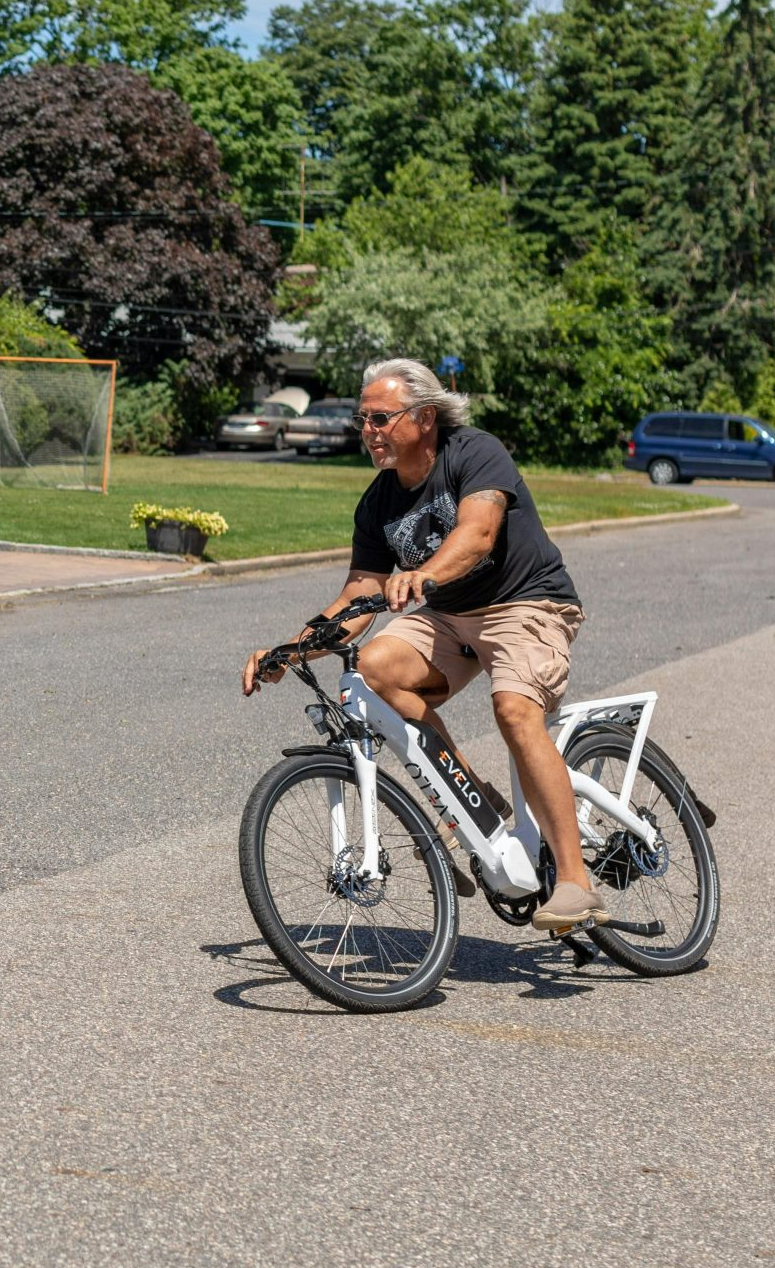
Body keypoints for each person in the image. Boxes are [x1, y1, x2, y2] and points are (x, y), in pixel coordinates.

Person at [239, 357, 600, 932]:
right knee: (375, 668)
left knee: (513, 710)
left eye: (380, 418)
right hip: (451, 617)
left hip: (527, 602)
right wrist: (289, 651)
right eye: (363, 420)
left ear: (424, 417)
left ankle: (577, 883)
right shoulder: (379, 501)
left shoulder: (474, 452)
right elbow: (358, 597)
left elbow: (478, 534)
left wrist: (425, 573)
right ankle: (474, 798)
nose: (368, 432)